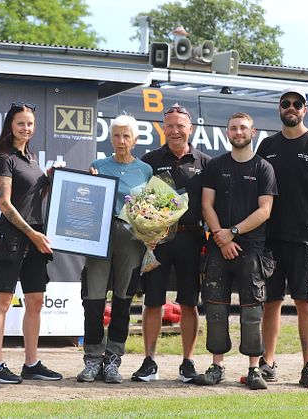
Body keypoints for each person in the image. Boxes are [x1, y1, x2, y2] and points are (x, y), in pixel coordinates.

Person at [257, 89, 308, 388]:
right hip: (271, 238)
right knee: (272, 302)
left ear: (304, 110)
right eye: (286, 104)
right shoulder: (267, 145)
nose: (291, 108)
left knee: (305, 302)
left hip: (306, 238)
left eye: (297, 104)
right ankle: (267, 363)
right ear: (279, 109)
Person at [193, 112, 277, 390]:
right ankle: (217, 367)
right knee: (215, 309)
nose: (238, 132)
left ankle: (254, 370)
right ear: (227, 133)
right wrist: (222, 239)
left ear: (253, 132)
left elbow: (265, 210)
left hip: (252, 249)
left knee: (252, 311)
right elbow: (207, 205)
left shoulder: (264, 168)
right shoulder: (216, 166)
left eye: (243, 128)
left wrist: (234, 232)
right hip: (219, 248)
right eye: (233, 128)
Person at [0, 102, 63, 384]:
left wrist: (55, 179)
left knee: (35, 301)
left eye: (30, 123)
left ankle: (31, 363)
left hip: (35, 238)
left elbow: (34, 198)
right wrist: (32, 233)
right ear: (10, 125)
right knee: (3, 301)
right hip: (13, 237)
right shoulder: (4, 158)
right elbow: (4, 204)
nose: (26, 128)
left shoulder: (31, 159)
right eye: (21, 123)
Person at [133, 104, 211, 383]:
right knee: (153, 301)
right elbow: (138, 201)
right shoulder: (149, 160)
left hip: (192, 239)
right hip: (158, 239)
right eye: (170, 125)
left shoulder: (205, 162)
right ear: (162, 128)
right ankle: (149, 361)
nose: (175, 131)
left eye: (181, 125)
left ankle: (188, 362)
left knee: (189, 303)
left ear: (190, 129)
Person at [77, 115, 152, 384]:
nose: (121, 141)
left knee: (123, 299)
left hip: (131, 241)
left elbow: (150, 211)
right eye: (117, 136)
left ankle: (113, 360)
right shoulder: (98, 165)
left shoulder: (145, 171)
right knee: (93, 299)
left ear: (135, 139)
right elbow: (85, 199)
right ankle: (92, 359)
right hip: (99, 237)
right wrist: (88, 182)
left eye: (126, 136)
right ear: (111, 138)